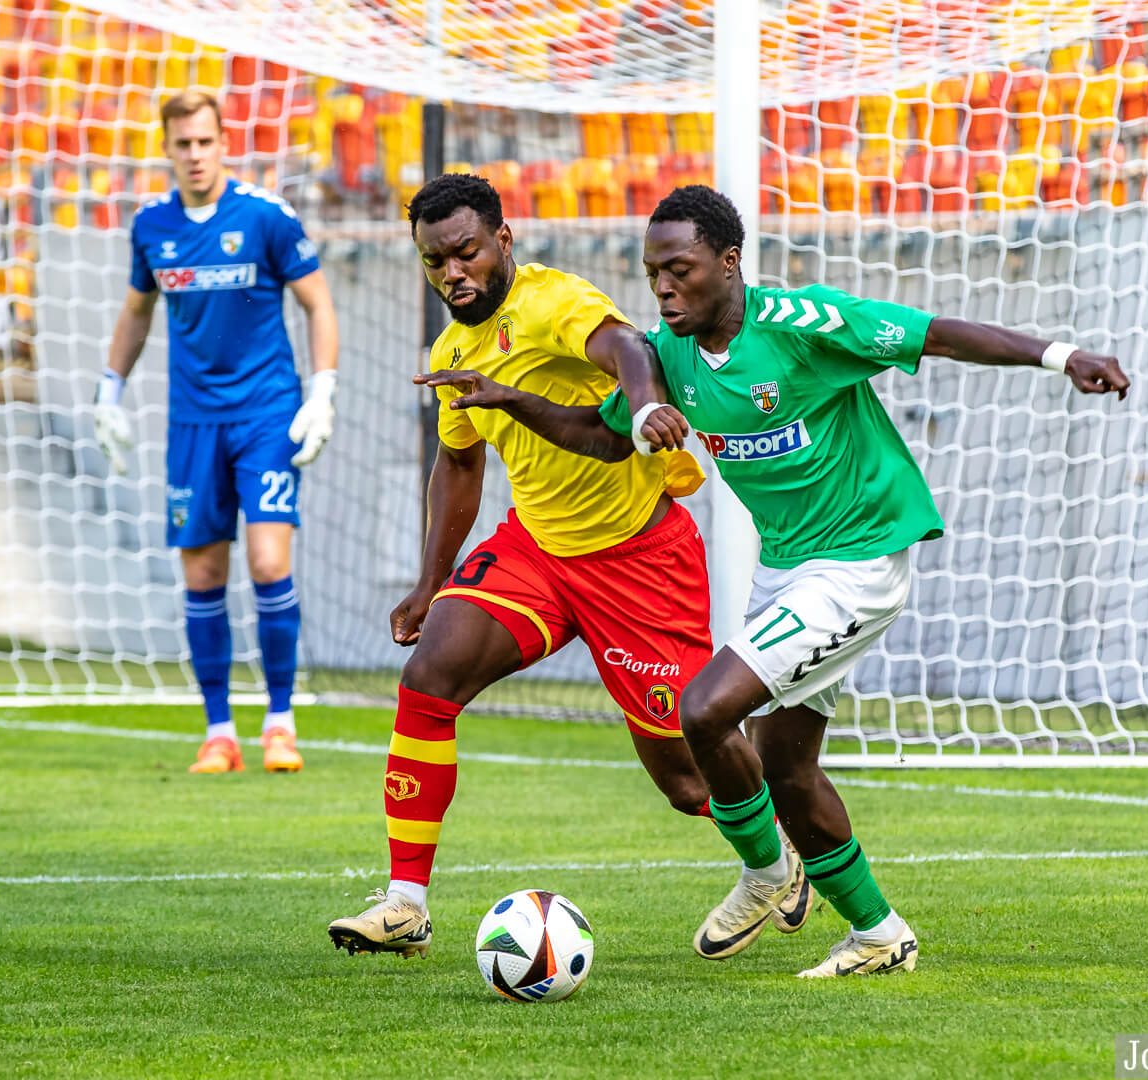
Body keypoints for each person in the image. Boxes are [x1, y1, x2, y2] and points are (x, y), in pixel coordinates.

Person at [428, 184, 1130, 976]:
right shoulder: (674, 354)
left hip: (861, 557)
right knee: (787, 769)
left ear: (729, 263)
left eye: (680, 270)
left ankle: (764, 872)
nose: (663, 288)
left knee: (704, 707)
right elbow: (598, 436)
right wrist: (511, 399)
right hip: (787, 568)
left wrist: (1062, 356)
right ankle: (878, 933)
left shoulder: (803, 326)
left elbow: (938, 335)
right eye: (653, 272)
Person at [325, 174, 810, 960]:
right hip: (538, 552)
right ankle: (405, 902)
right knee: (428, 681)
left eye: (466, 252)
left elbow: (625, 344)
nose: (453, 273)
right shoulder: (453, 349)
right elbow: (458, 464)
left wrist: (647, 404)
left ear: (502, 242)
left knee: (689, 782)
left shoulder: (553, 303)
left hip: (639, 561)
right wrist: (428, 580)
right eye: (434, 261)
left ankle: (782, 851)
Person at [96, 91, 339, 774]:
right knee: (203, 572)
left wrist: (322, 389)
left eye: (205, 142)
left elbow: (318, 303)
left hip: (265, 414)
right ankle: (219, 730)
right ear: (167, 148)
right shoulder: (151, 226)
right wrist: (108, 390)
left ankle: (281, 722)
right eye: (183, 144)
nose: (195, 155)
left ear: (223, 143)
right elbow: (137, 312)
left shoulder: (266, 217)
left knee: (268, 563)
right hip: (192, 422)